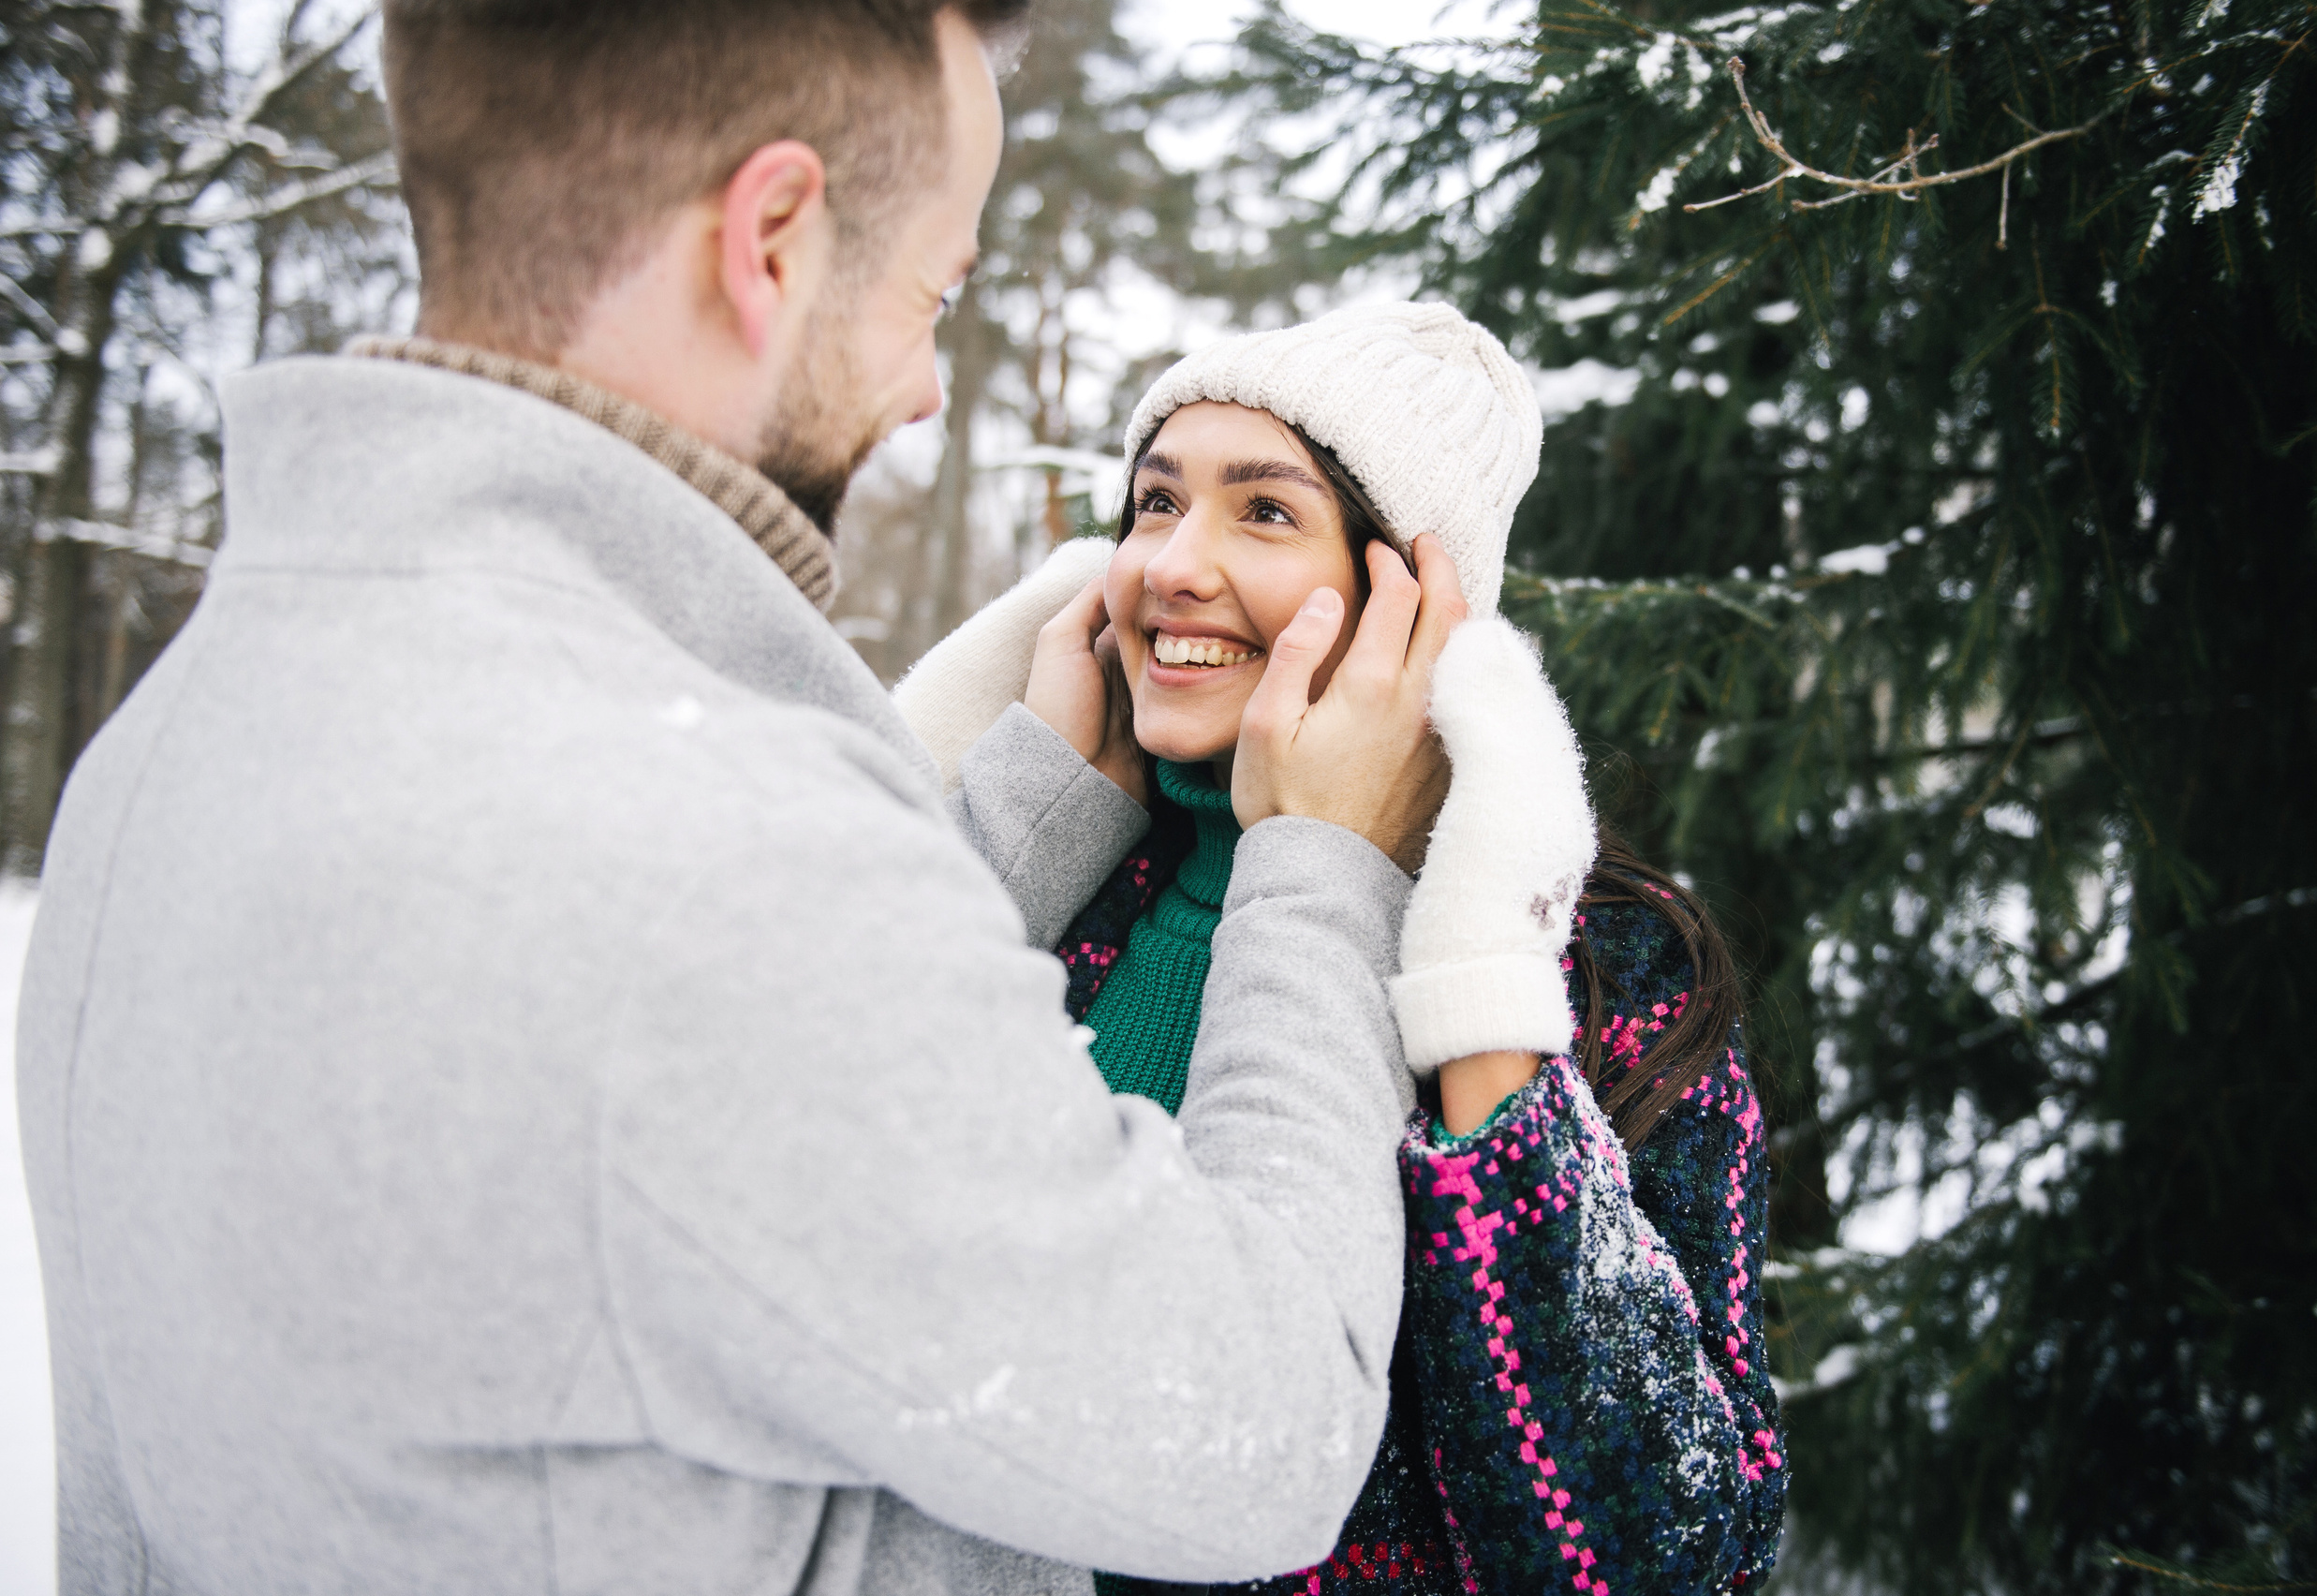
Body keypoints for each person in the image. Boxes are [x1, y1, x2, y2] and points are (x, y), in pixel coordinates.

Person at [13, 5, 1476, 1593]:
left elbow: (690, 1165)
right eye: (934, 291)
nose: (926, 387)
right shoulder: (720, 863)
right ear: (772, 234)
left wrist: (1013, 825)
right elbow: (1260, 1428)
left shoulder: (177, 740)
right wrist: (1326, 865)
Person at [897, 303, 1788, 1593]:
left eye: (1263, 512)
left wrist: (1485, 1027)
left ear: (1406, 604)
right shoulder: (1081, 877)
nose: (1171, 564)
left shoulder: (1598, 966)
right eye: (1155, 503)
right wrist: (1015, 820)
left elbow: (1672, 1559)